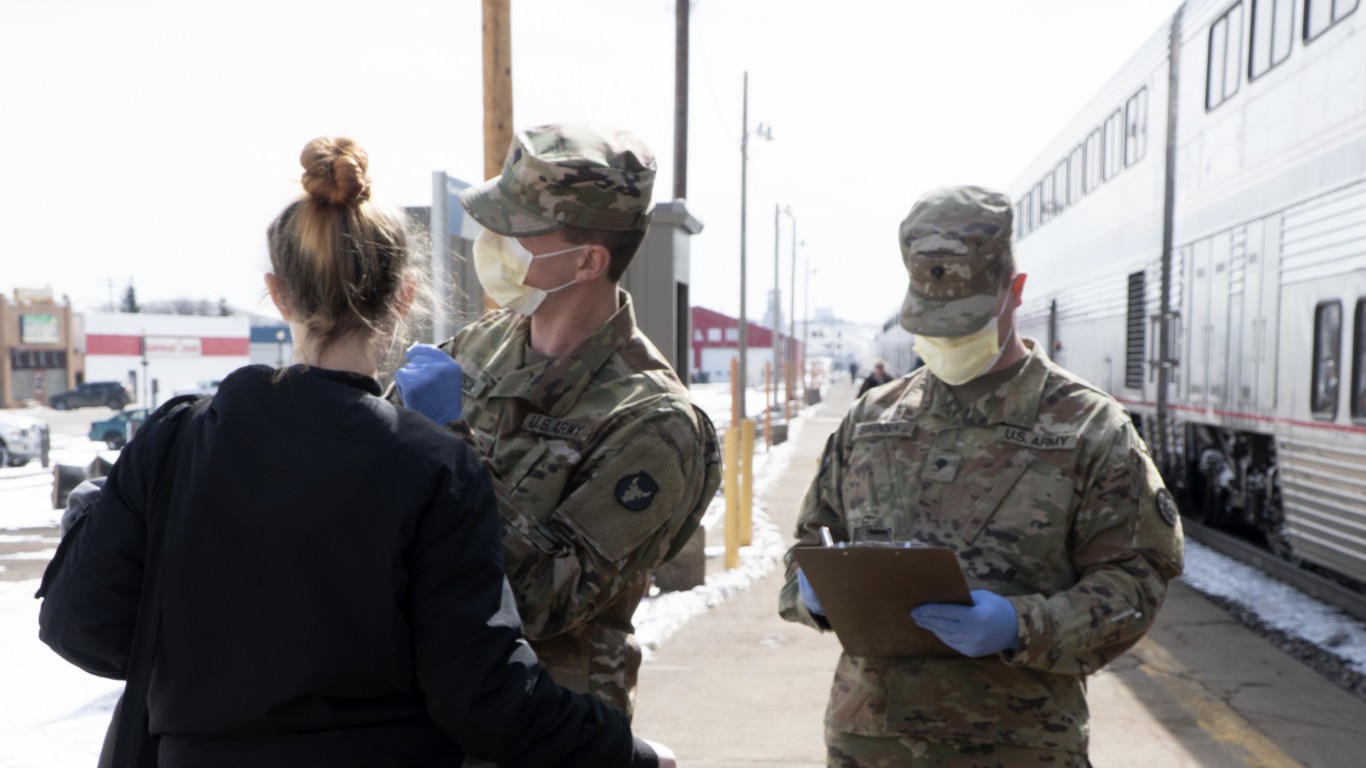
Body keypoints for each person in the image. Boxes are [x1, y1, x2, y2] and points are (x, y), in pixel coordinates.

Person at [37, 137, 671, 768]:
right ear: (403, 297)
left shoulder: (176, 439)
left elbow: (84, 623)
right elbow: (477, 688)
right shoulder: (435, 458)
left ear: (278, 293)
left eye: (520, 230)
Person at [778, 185, 1183, 767]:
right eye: (931, 324)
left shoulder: (1088, 427)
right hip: (869, 742)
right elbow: (808, 545)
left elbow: (1136, 584)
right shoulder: (871, 419)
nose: (943, 340)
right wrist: (811, 594)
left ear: (1014, 293)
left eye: (962, 324)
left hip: (1017, 747)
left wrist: (1021, 624)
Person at [393, 123, 721, 722]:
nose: (492, 243)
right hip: (429, 716)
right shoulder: (479, 346)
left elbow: (545, 597)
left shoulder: (654, 421)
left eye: (516, 234)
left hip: (547, 730)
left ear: (588, 261)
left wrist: (448, 442)